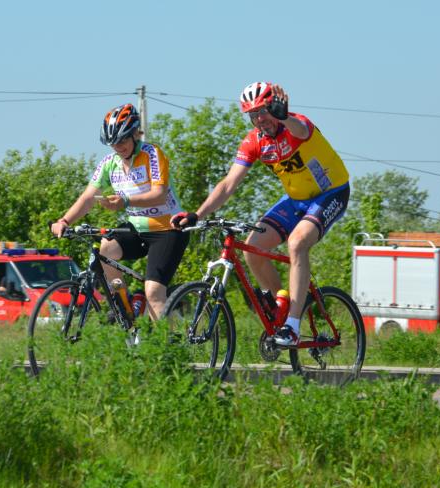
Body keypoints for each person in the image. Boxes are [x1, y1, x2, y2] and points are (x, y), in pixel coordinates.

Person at [171, 82, 350, 347]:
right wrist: (197, 214)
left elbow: (300, 130)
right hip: (296, 200)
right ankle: (282, 308)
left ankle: (293, 325)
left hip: (331, 193)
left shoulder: (296, 125)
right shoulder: (254, 142)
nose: (259, 119)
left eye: (263, 111)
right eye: (252, 115)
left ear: (275, 108)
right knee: (253, 248)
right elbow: (228, 185)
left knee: (297, 243)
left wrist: (284, 116)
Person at [51, 103, 188, 319]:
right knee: (106, 248)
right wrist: (64, 221)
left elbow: (159, 195)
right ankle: (125, 309)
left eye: (122, 140)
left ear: (135, 134)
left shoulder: (152, 154)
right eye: (113, 143)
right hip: (137, 228)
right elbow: (88, 197)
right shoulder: (109, 163)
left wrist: (125, 201)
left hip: (168, 229)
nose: (118, 146)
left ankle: (167, 338)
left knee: (153, 292)